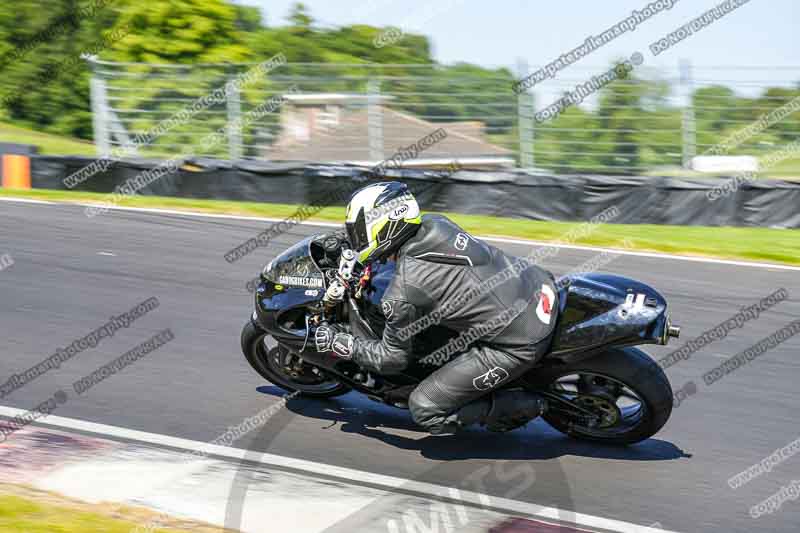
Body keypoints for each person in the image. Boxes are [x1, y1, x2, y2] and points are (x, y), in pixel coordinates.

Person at [313, 181, 558, 434]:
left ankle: (526, 406)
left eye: (358, 231)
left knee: (425, 409)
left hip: (521, 342)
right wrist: (346, 243)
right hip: (539, 284)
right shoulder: (436, 224)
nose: (357, 237)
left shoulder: (402, 293)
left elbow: (392, 359)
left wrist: (342, 343)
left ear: (382, 225)